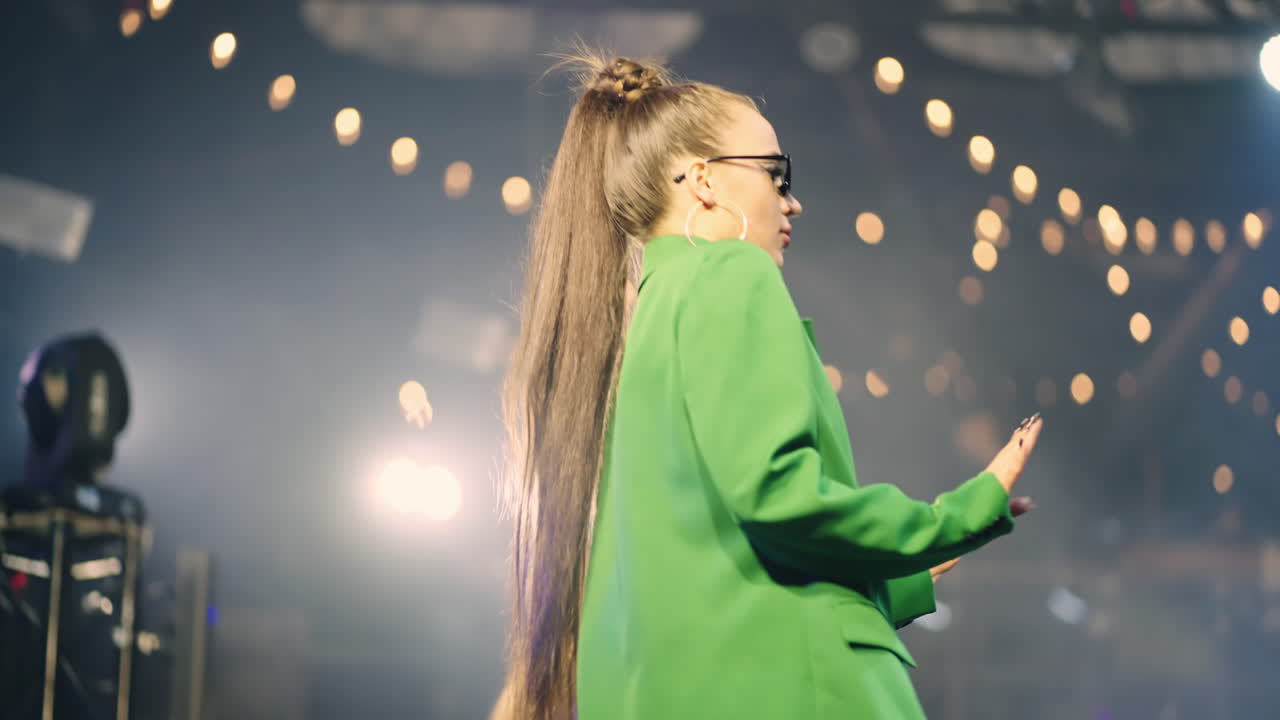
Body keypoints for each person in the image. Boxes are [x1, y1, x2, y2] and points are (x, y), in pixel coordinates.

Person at [497, 50, 1044, 720]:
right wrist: (948, 520)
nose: (792, 201)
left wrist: (901, 573)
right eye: (775, 174)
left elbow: (711, 564)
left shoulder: (639, 328)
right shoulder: (731, 273)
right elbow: (777, 498)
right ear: (703, 180)